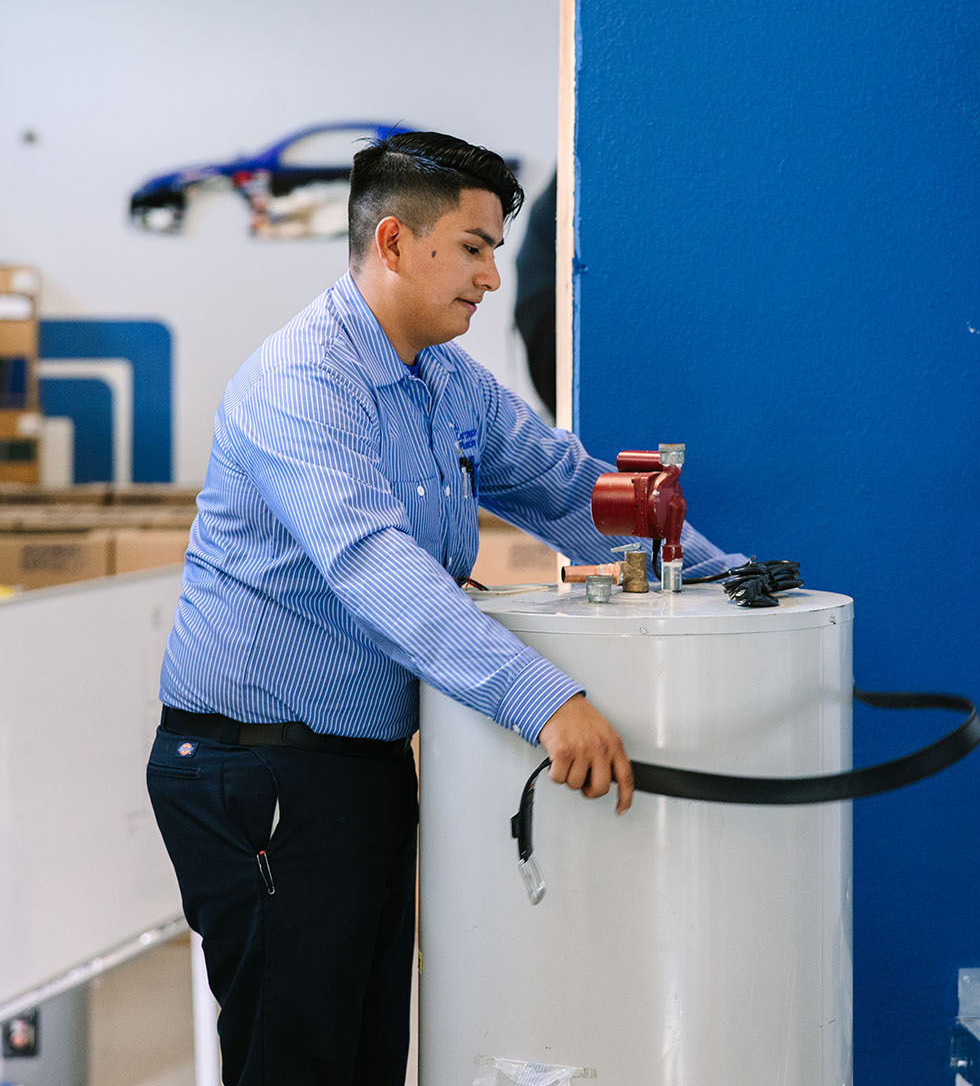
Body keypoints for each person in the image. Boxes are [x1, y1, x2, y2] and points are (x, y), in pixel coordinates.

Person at [146, 130, 741, 1086]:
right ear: (392, 243)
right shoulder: (302, 384)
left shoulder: (444, 382)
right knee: (298, 1060)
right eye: (472, 248)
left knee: (371, 1055)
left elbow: (562, 487)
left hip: (360, 772)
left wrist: (730, 582)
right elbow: (374, 564)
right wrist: (545, 699)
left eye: (497, 251)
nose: (492, 279)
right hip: (257, 775)